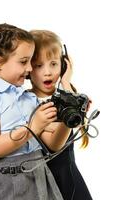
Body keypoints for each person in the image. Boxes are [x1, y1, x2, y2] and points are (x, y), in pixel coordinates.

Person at [0, 23, 63, 200]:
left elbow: (53, 144)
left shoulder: (27, 96)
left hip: (39, 174)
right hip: (9, 182)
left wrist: (68, 118)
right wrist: (32, 127)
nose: (30, 69)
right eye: (24, 62)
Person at [28, 29, 93, 200]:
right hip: (45, 185)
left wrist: (66, 81)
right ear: (28, 67)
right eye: (39, 65)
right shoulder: (27, 102)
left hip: (71, 181)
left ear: (63, 65)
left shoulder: (65, 95)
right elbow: (54, 145)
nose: (47, 72)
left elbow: (80, 124)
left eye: (54, 64)